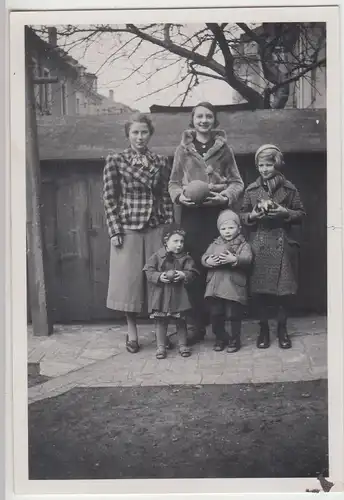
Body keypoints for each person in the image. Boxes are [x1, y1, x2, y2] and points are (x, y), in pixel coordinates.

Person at [169, 102, 244, 345]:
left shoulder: (224, 149)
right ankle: (196, 326)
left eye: (208, 116)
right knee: (193, 268)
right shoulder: (183, 150)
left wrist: (225, 197)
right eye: (199, 116)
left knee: (218, 267)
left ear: (214, 120)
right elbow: (172, 183)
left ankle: (219, 328)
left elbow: (237, 182)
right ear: (193, 120)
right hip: (192, 216)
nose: (204, 120)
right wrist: (180, 197)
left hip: (217, 216)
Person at [103, 113, 174, 354]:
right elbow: (110, 198)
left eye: (144, 132)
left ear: (150, 134)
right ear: (128, 135)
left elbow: (165, 195)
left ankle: (160, 334)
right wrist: (114, 230)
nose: (140, 137)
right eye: (135, 132)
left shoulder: (161, 161)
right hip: (128, 228)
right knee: (129, 283)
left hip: (156, 227)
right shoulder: (116, 160)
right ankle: (132, 333)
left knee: (158, 280)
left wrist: (169, 229)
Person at [240, 144, 306, 350]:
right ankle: (263, 330)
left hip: (283, 243)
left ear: (277, 164)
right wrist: (252, 216)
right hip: (259, 243)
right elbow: (242, 214)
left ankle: (282, 329)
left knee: (283, 293)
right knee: (260, 292)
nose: (264, 169)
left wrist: (284, 212)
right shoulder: (251, 189)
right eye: (261, 165)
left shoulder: (289, 189)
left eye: (269, 164)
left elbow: (301, 214)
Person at [143, 224, 199, 359]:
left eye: (181, 241)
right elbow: (148, 271)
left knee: (181, 321)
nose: (179, 245)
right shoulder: (157, 256)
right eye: (175, 241)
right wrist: (159, 276)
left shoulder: (186, 258)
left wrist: (183, 274)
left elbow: (193, 272)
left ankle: (183, 345)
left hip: (179, 296)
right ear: (166, 242)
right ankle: (161, 347)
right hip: (161, 296)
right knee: (161, 322)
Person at [201, 210, 252, 353]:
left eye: (231, 227)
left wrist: (235, 259)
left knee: (233, 315)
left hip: (233, 286)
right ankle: (220, 338)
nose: (227, 231)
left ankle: (235, 340)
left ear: (239, 228)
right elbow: (204, 256)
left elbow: (248, 258)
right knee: (216, 315)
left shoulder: (243, 244)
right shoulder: (215, 243)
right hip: (216, 287)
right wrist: (208, 260)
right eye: (223, 228)